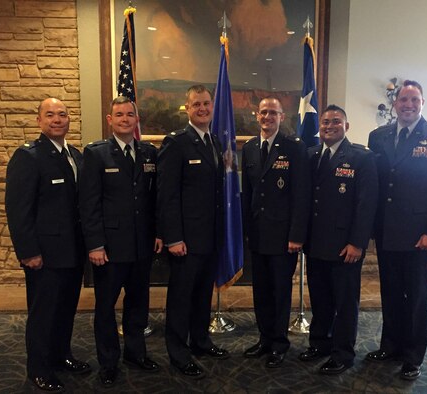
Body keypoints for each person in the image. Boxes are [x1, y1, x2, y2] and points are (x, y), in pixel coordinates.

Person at [366, 80, 427, 380]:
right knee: (391, 293)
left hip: (420, 235)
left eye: (414, 99)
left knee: (417, 297)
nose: (408, 104)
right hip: (387, 232)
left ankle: (412, 355)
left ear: (422, 103)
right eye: (403, 99)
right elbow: (375, 185)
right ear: (394, 104)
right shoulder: (378, 136)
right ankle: (390, 345)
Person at [5, 98, 90, 392]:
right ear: (39, 120)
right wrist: (28, 253)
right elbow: (18, 210)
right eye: (50, 115)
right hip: (44, 256)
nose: (57, 119)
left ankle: (61, 355)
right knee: (43, 313)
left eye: (62, 114)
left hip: (73, 253)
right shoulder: (28, 157)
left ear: (69, 120)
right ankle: (38, 369)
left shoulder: (76, 156)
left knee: (66, 310)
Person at [79, 96, 162, 387]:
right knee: (105, 308)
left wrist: (159, 233)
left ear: (137, 120)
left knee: (138, 304)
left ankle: (135, 353)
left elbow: (154, 200)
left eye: (130, 114)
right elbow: (89, 203)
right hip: (110, 249)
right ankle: (109, 362)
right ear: (109, 120)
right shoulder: (96, 153)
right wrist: (95, 244)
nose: (125, 119)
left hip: (141, 245)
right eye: (119, 114)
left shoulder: (149, 153)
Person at [298, 105, 378, 374]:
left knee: (345, 304)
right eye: (325, 122)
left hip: (345, 246)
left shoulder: (361, 158)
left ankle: (343, 353)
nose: (329, 126)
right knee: (320, 299)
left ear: (346, 126)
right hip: (317, 243)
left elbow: (366, 205)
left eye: (336, 121)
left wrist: (358, 242)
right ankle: (320, 343)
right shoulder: (311, 156)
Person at [157, 85, 228, 379]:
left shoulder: (213, 141)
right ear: (187, 108)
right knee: (181, 298)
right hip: (185, 239)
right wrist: (173, 237)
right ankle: (178, 352)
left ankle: (200, 341)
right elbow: (167, 194)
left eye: (206, 103)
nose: (202, 108)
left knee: (201, 296)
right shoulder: (176, 143)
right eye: (196, 104)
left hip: (209, 237)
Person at [241, 97, 309, 368]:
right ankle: (264, 338)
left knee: (280, 291)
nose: (268, 116)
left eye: (273, 112)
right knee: (261, 290)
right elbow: (247, 193)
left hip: (284, 237)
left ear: (282, 116)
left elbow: (301, 195)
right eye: (264, 112)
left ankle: (279, 343)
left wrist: (296, 235)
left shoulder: (294, 148)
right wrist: (245, 231)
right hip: (258, 234)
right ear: (257, 115)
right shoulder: (248, 148)